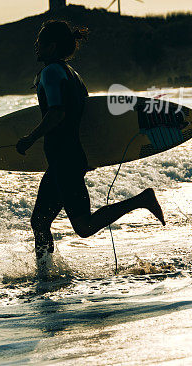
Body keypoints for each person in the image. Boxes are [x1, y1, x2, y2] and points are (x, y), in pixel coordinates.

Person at [16, 20, 165, 274]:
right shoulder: (72, 74)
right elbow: (86, 118)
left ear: (52, 46)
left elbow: (57, 113)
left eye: (40, 42)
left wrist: (30, 138)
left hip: (65, 157)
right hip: (69, 156)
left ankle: (142, 200)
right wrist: (92, 154)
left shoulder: (51, 72)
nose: (36, 46)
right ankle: (44, 274)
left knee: (83, 226)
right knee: (39, 222)